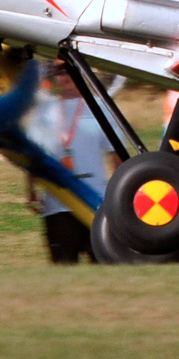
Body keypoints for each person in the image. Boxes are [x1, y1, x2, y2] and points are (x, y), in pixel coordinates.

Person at [24, 63, 108, 263]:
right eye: (58, 72)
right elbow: (33, 155)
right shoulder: (44, 110)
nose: (64, 76)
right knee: (63, 263)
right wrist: (30, 190)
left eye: (68, 70)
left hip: (95, 200)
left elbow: (116, 156)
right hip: (58, 202)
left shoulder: (98, 106)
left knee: (104, 262)